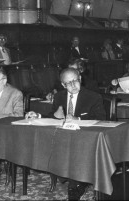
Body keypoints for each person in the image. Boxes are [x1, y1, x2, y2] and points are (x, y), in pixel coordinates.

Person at [26, 68, 106, 200]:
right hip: (64, 138)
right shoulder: (59, 97)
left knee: (72, 149)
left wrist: (78, 119)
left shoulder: (93, 97)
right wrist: (38, 115)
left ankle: (76, 184)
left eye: (75, 80)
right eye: (69, 83)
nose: (73, 85)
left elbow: (101, 118)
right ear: (63, 85)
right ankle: (72, 178)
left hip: (84, 138)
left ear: (80, 78)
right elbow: (55, 116)